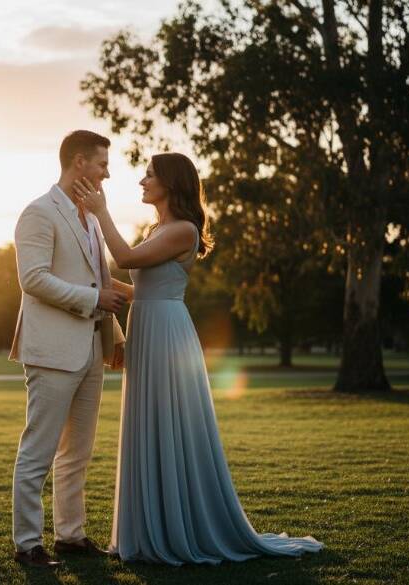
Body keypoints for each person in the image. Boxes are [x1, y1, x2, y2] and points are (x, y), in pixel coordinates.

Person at [72, 152, 324, 565]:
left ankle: (177, 527)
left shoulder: (184, 230)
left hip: (167, 334)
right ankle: (153, 525)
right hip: (149, 324)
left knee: (170, 420)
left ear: (171, 183)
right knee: (150, 419)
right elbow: (142, 287)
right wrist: (88, 283)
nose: (141, 180)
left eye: (149, 174)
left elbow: (128, 259)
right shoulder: (161, 228)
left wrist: (100, 212)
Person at [9, 130, 127, 569]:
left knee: (78, 451)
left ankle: (71, 537)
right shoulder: (38, 213)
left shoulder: (92, 220)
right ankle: (27, 544)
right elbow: (33, 279)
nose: (107, 173)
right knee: (38, 450)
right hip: (53, 351)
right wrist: (94, 300)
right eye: (102, 164)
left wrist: (113, 336)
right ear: (79, 163)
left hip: (91, 351)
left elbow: (101, 280)